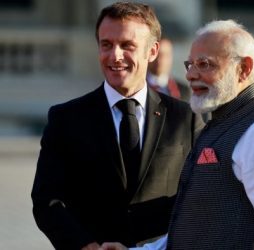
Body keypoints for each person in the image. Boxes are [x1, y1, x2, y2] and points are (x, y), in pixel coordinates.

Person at [99, 19, 254, 250]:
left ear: (244, 69)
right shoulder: (220, 121)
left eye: (205, 64)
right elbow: (193, 231)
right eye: (190, 64)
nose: (190, 75)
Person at [31, 2, 204, 250]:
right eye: (106, 45)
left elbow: (201, 196)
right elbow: (47, 199)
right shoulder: (66, 119)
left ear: (152, 51)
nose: (115, 56)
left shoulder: (185, 118)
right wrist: (85, 245)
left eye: (127, 45)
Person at [147, 37, 191, 102]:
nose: (161, 60)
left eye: (166, 55)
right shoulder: (136, 87)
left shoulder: (183, 91)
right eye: (157, 54)